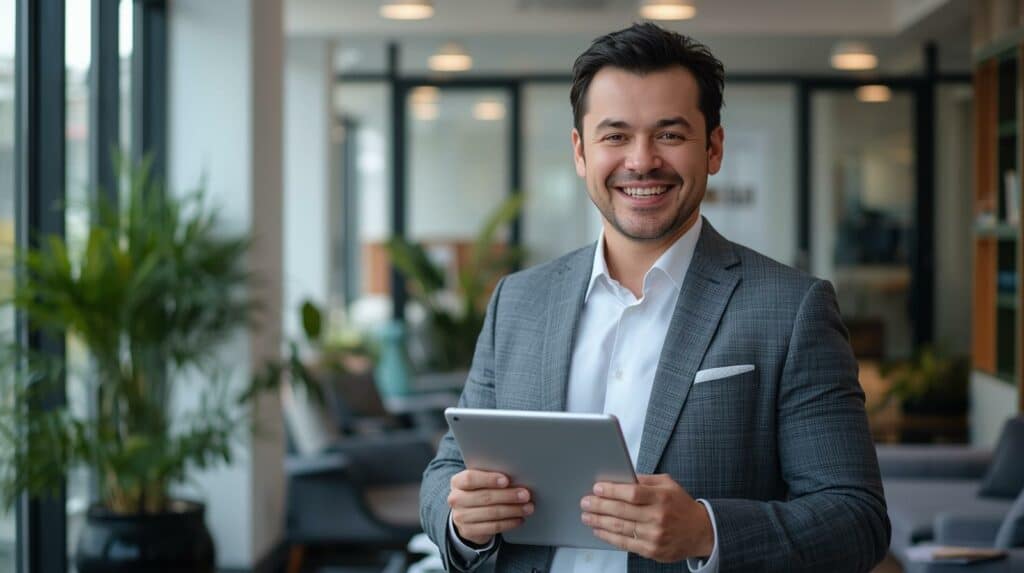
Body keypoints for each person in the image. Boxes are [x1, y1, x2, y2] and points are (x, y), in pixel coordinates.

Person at [419, 22, 890, 573]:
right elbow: (447, 470)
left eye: (669, 134)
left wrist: (706, 532)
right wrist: (462, 522)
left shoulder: (792, 308)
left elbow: (857, 519)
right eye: (615, 136)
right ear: (580, 152)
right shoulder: (518, 301)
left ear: (713, 148)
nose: (641, 161)